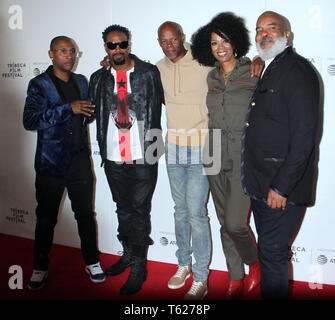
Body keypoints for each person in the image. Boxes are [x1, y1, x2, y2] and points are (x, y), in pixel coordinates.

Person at [242, 11, 319, 299]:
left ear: (287, 35)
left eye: (271, 28)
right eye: (259, 29)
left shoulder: (297, 71)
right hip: (262, 185)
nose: (263, 34)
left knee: (272, 253)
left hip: (280, 188)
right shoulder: (269, 66)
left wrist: (282, 186)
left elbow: (304, 137)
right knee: (269, 251)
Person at [23, 36, 105, 290]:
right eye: (62, 51)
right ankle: (39, 267)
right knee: (46, 219)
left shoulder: (81, 81)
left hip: (80, 160)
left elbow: (85, 115)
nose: (69, 56)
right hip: (51, 164)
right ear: (51, 54)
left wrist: (87, 107)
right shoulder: (39, 84)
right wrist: (68, 108)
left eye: (72, 52)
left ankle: (92, 261)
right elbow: (30, 121)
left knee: (85, 215)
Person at [88, 25, 164, 296]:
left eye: (121, 44)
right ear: (105, 48)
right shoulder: (99, 78)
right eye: (111, 45)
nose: (117, 50)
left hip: (144, 154)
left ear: (129, 44)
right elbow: (88, 114)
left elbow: (168, 102)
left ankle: (139, 267)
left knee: (140, 209)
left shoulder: (148, 73)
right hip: (112, 156)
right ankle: (129, 255)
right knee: (123, 208)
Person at [191, 12, 260, 299]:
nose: (220, 47)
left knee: (236, 223)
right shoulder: (211, 75)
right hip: (214, 152)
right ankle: (235, 277)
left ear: (236, 42)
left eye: (225, 40)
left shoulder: (255, 70)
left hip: (243, 154)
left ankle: (254, 262)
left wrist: (261, 60)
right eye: (214, 42)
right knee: (223, 222)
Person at [156, 21, 212, 300]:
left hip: (206, 146)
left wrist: (254, 65)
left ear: (182, 38)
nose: (169, 45)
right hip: (174, 146)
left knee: (197, 213)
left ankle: (202, 277)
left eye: (172, 39)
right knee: (180, 210)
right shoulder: (159, 67)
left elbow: (231, 62)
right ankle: (183, 264)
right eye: (163, 41)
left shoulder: (204, 59)